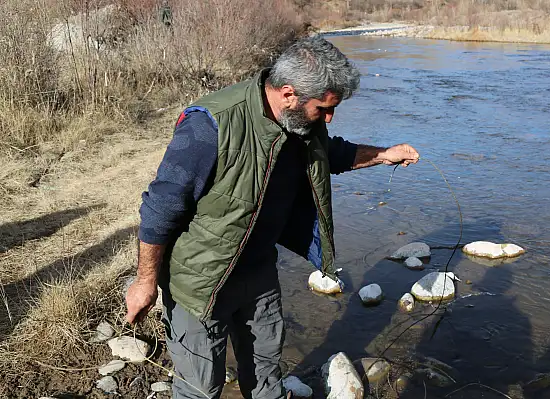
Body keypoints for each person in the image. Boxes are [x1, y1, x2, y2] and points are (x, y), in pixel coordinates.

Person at [124, 36, 420, 399]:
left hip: (258, 272)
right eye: (324, 109)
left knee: (265, 377)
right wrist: (144, 282)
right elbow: (161, 207)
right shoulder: (211, 124)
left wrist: (382, 155)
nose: (329, 117)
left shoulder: (302, 124)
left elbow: (331, 154)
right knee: (200, 389)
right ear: (288, 93)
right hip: (199, 281)